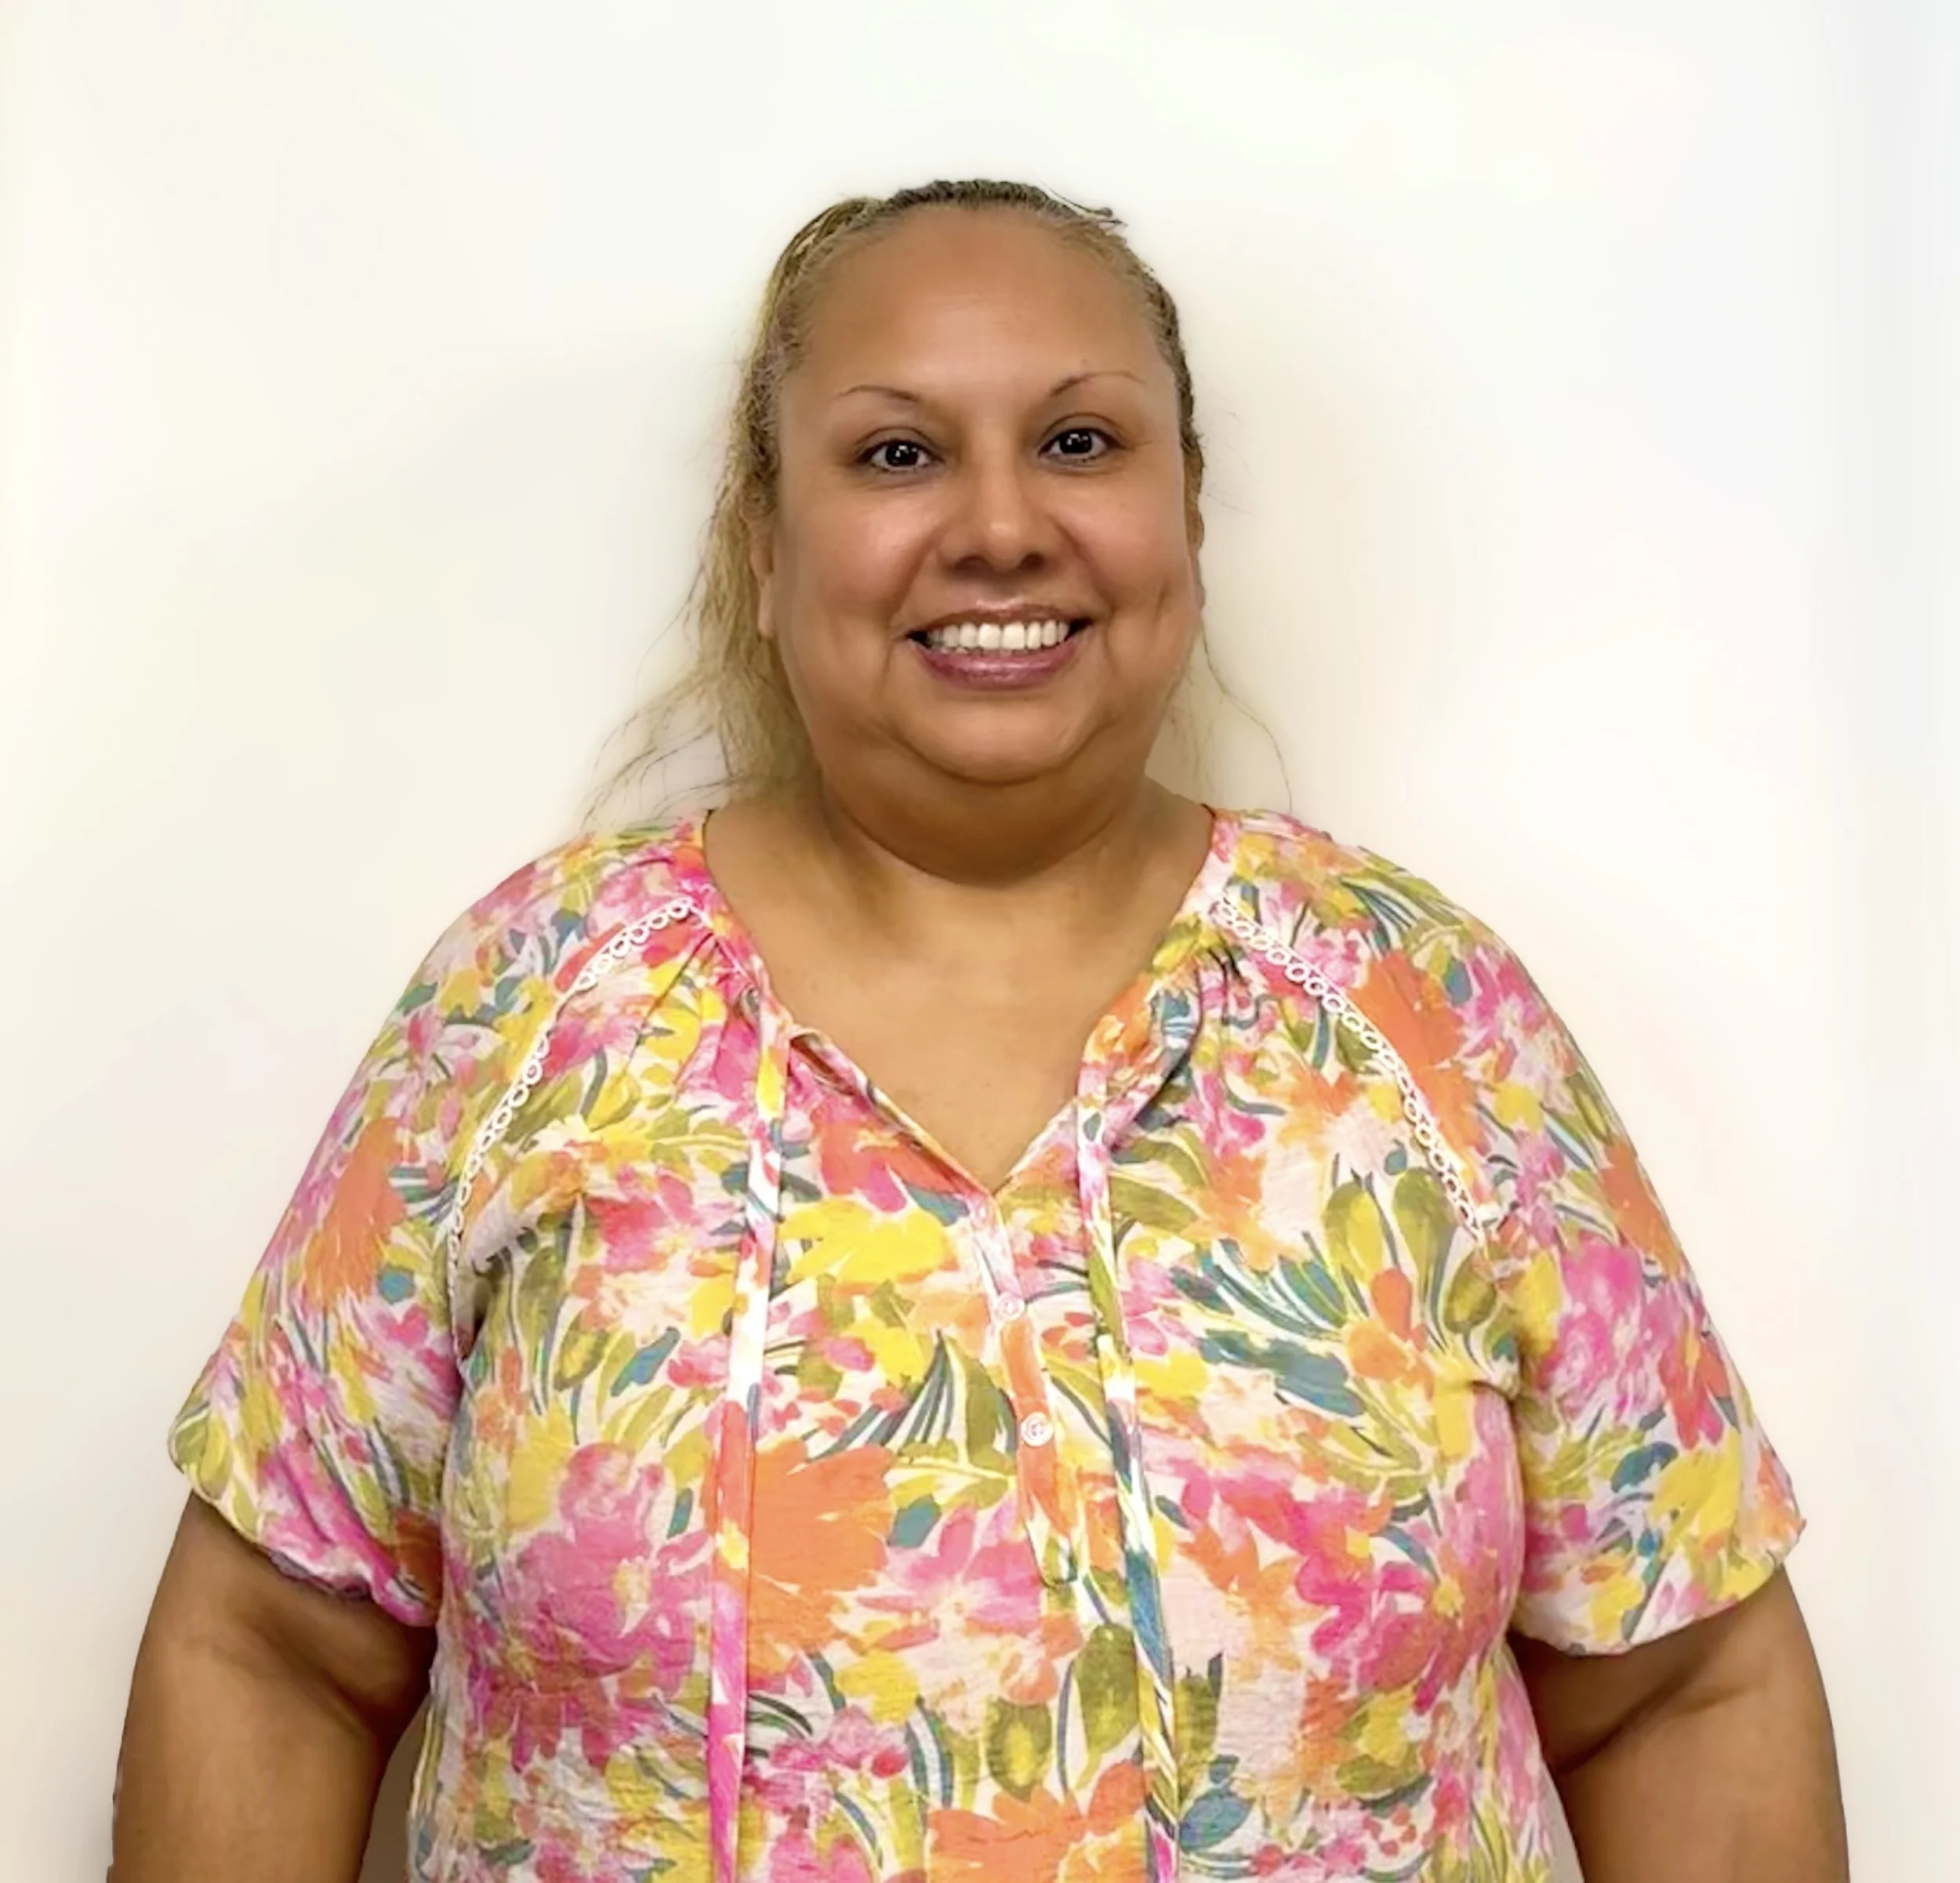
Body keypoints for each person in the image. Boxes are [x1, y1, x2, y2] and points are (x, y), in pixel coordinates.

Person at [113, 179, 1848, 1883]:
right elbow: (273, 1647)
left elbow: (1680, 1682)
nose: (1002, 525)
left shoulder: (1423, 1018)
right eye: (897, 453)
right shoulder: (534, 1011)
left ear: (1185, 514)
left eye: (1081, 442)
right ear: (765, 545)